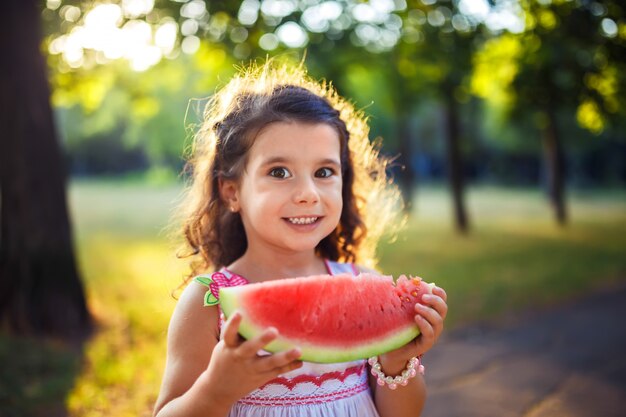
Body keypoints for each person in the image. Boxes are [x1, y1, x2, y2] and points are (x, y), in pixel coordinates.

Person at [153, 61, 448, 417]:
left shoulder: (361, 282)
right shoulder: (209, 302)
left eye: (324, 172)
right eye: (279, 172)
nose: (308, 193)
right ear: (232, 191)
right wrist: (215, 390)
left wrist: (397, 361)